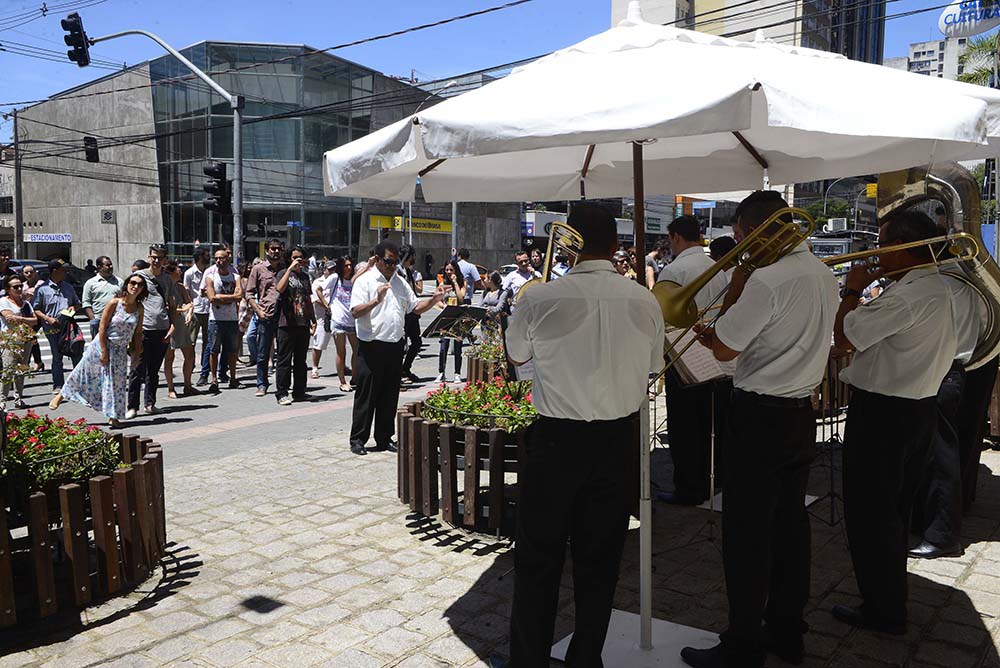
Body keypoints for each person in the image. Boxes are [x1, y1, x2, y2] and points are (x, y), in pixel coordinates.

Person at [497, 202, 663, 668]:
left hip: (556, 442)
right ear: (617, 245)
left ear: (570, 241)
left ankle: (527, 660)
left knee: (538, 560)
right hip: (616, 444)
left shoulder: (538, 297)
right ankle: (586, 657)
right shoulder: (644, 299)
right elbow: (653, 368)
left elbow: (515, 354)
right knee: (601, 560)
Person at [681, 191, 839, 668]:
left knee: (747, 534)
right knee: (790, 526)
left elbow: (726, 349)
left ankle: (743, 644)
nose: (740, 246)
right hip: (798, 415)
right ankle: (788, 632)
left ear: (754, 230)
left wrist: (735, 292)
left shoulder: (766, 280)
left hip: (758, 416)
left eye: (742, 236)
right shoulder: (824, 274)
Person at [831, 209, 957, 636]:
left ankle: (883, 609)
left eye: (885, 245)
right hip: (916, 410)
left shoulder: (906, 295)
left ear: (904, 248)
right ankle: (889, 599)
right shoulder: (938, 288)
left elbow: (845, 336)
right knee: (894, 512)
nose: (878, 254)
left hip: (883, 415)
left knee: (870, 516)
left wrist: (851, 290)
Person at [656, 215, 730, 506]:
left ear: (675, 237)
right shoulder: (717, 267)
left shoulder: (674, 270)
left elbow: (660, 317)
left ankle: (689, 487)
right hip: (716, 355)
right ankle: (716, 478)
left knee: (685, 428)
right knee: (714, 424)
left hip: (683, 356)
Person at [348, 241, 445, 455]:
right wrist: (376, 300)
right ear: (378, 259)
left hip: (394, 345)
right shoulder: (365, 281)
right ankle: (358, 439)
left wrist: (433, 300)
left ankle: (384, 437)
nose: (392, 266)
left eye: (394, 262)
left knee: (389, 395)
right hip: (371, 345)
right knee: (367, 395)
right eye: (389, 261)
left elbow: (414, 308)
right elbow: (355, 312)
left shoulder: (400, 282)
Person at [54, 273, 146, 428]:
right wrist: (104, 351)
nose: (135, 286)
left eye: (140, 285)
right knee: (83, 371)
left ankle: (113, 416)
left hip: (120, 350)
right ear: (127, 284)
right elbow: (102, 328)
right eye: (133, 282)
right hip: (102, 344)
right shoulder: (114, 303)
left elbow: (137, 333)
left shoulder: (139, 308)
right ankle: (62, 394)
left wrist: (136, 354)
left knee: (116, 384)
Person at [126, 244, 177, 418]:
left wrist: (172, 326)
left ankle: (150, 403)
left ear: (165, 259)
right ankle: (132, 406)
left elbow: (172, 304)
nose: (156, 261)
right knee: (137, 369)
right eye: (153, 257)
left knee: (154, 370)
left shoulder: (167, 279)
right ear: (148, 257)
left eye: (160, 258)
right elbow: (128, 301)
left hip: (162, 329)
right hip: (143, 330)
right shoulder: (139, 277)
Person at [32, 258, 82, 397]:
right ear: (55, 271)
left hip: (69, 326)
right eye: (63, 269)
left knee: (76, 354)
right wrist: (48, 319)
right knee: (57, 356)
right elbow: (36, 309)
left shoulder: (68, 287)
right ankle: (58, 385)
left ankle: (77, 384)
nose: (65, 272)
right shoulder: (42, 289)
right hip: (52, 327)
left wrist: (74, 307)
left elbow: (78, 303)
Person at [274, 246, 315, 405]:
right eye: (294, 257)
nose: (298, 260)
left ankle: (299, 391)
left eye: (300, 257)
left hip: (302, 323)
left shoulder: (305, 277)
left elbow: (308, 298)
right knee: (284, 359)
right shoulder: (282, 273)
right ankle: (282, 393)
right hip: (286, 323)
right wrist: (289, 269)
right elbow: (279, 288)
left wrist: (312, 319)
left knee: (300, 360)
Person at [246, 239, 284, 396]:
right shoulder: (258, 269)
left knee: (283, 353)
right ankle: (262, 384)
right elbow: (248, 293)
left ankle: (283, 384)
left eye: (278, 249)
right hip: (265, 315)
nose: (276, 251)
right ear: (267, 250)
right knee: (262, 353)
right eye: (272, 249)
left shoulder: (285, 268)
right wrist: (258, 311)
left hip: (283, 317)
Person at [204, 247, 243, 392]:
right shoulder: (210, 276)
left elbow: (239, 296)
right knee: (214, 350)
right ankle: (214, 380)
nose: (219, 261)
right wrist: (229, 298)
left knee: (232, 350)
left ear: (228, 259)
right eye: (217, 258)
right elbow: (212, 298)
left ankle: (233, 378)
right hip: (215, 319)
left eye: (222, 258)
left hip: (232, 319)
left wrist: (222, 298)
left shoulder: (235, 276)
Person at [0, 274, 37, 408]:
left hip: (25, 339)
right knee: (8, 370)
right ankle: (2, 401)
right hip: (9, 340)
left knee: (21, 370)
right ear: (8, 289)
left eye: (20, 286)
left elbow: (35, 320)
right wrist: (25, 319)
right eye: (15, 287)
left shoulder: (26, 303)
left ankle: (18, 398)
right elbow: (9, 318)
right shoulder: (3, 301)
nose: (19, 288)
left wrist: (20, 318)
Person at [163, 260, 198, 399]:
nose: (180, 271)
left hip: (182, 323)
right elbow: (165, 307)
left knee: (189, 355)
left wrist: (189, 312)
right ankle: (171, 388)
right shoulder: (164, 287)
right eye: (177, 269)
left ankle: (188, 385)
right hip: (169, 323)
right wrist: (181, 309)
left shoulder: (180, 286)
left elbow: (189, 302)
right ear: (171, 272)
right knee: (169, 357)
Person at [327, 256, 358, 393]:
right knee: (341, 352)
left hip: (352, 320)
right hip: (338, 320)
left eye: (351, 265)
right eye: (346, 266)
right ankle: (342, 382)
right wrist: (326, 305)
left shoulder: (353, 281)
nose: (349, 268)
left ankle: (355, 378)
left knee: (357, 350)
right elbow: (318, 289)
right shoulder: (335, 278)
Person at [434, 260, 468, 384]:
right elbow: (437, 299)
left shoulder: (462, 282)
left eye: (451, 270)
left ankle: (457, 373)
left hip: (457, 318)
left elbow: (461, 298)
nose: (448, 272)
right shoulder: (442, 283)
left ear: (456, 271)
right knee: (443, 346)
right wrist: (442, 306)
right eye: (447, 270)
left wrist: (455, 282)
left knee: (458, 347)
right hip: (446, 317)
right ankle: (441, 372)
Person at [185, 248, 211, 385]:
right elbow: (186, 291)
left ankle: (204, 371)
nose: (209, 257)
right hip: (195, 310)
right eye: (206, 255)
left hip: (209, 310)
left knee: (208, 342)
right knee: (191, 341)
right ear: (199, 257)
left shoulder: (211, 271)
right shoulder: (189, 273)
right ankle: (191, 366)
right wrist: (190, 307)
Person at [399, 245, 424, 384]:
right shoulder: (398, 271)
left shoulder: (408, 271)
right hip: (402, 313)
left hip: (412, 312)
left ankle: (405, 368)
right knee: (400, 344)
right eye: (412, 255)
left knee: (416, 342)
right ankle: (398, 373)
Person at [82, 256, 122, 339]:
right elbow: (86, 302)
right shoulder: (90, 283)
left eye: (111, 265)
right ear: (99, 267)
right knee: (98, 349)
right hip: (98, 321)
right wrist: (93, 319)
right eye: (107, 265)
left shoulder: (120, 282)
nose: (111, 267)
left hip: (115, 321)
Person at [20, 265, 44, 372]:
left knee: (30, 338)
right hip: (28, 315)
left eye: (31, 272)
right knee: (31, 338)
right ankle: (37, 362)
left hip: (40, 315)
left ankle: (29, 362)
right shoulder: (22, 286)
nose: (29, 274)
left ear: (35, 272)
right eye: (26, 273)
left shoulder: (41, 284)